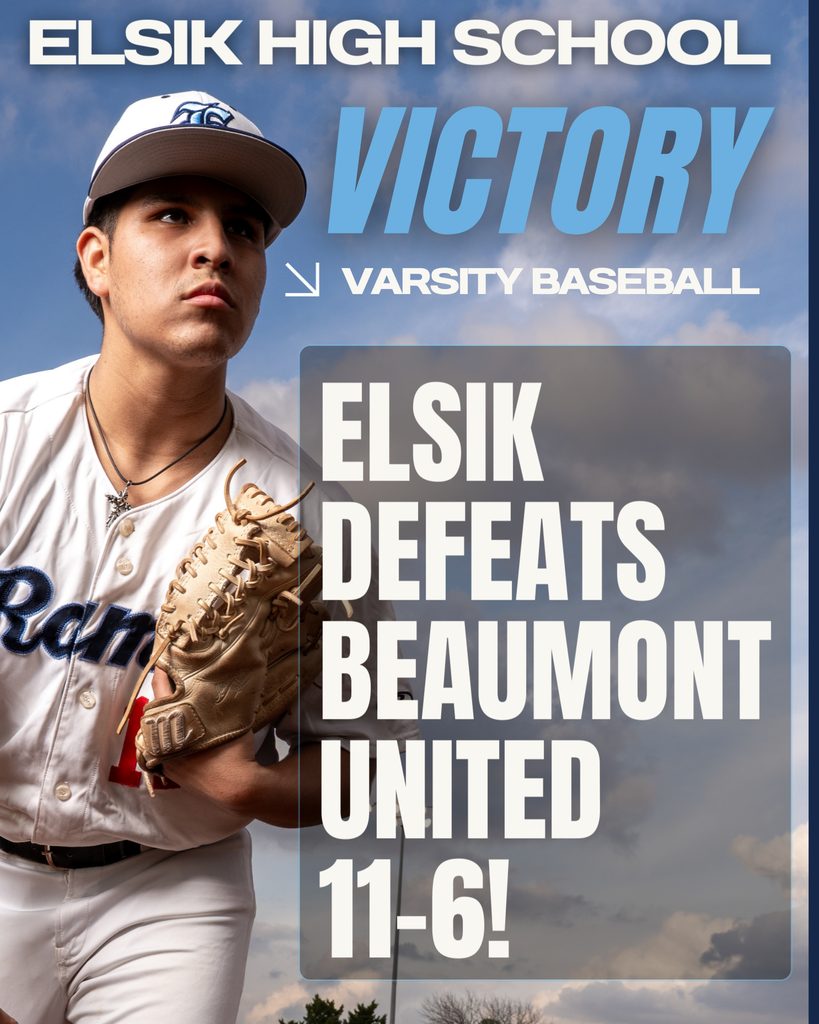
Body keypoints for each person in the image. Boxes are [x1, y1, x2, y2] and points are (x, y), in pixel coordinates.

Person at [0, 91, 413, 1024]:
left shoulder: (316, 520)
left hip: (171, 891)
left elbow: (372, 761)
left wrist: (255, 785)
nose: (215, 247)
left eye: (245, 228)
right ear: (96, 259)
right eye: (172, 215)